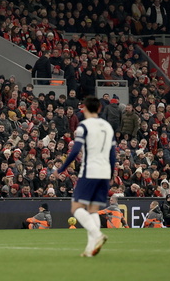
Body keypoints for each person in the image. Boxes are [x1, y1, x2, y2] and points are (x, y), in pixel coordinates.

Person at [56, 96, 115, 257]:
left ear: (85, 109)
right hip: (104, 171)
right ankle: (90, 249)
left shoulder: (84, 126)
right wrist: (111, 173)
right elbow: (112, 152)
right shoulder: (108, 127)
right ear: (100, 109)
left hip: (90, 170)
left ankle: (97, 235)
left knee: (76, 208)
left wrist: (62, 168)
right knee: (93, 209)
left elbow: (75, 151)